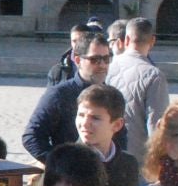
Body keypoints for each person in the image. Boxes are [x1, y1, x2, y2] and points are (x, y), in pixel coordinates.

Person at [23, 32, 112, 161]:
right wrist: (61, 166)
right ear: (77, 60)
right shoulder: (59, 94)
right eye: (95, 60)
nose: (102, 65)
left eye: (106, 59)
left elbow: (119, 137)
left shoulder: (112, 95)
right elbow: (31, 137)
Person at [106, 17, 169, 160]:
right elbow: (156, 125)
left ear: (126, 39)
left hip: (107, 150)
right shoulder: (154, 76)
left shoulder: (107, 68)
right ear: (152, 41)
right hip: (137, 155)